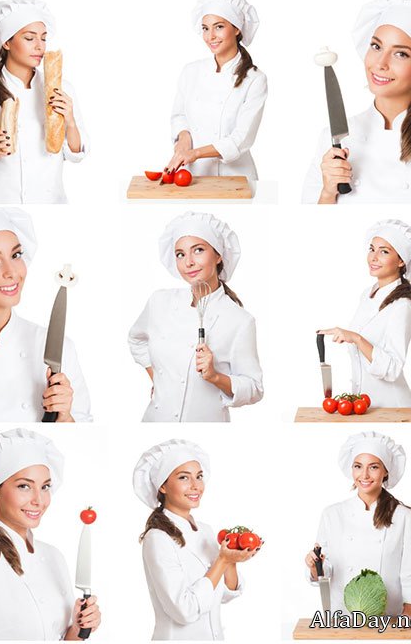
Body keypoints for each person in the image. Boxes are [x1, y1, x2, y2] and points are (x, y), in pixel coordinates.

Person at [0, 426, 101, 639]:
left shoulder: (53, 556)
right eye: (24, 486)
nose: (39, 500)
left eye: (45, 487)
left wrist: (76, 630)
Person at [0, 207, 92, 422]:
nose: (12, 272)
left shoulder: (56, 346)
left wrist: (64, 417)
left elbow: (81, 436)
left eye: (16, 255)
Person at [302, 0, 411, 204]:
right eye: (376, 46)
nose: (380, 63)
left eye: (401, 53)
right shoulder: (333, 138)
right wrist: (328, 192)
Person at [128, 211, 263, 422]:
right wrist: (157, 378)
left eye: (198, 250)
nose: (188, 262)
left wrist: (215, 377)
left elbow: (254, 388)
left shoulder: (240, 321)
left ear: (218, 255)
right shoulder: (159, 301)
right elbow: (136, 340)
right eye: (180, 254)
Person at [0, 0, 89, 204]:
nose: (40, 46)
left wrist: (70, 121)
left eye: (44, 38)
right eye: (29, 38)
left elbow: (75, 154)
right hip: (1, 201)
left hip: (52, 201)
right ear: (7, 42)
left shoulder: (62, 89)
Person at [133, 439, 261, 639]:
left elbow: (224, 594)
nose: (196, 486)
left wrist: (232, 561)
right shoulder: (157, 538)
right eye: (184, 477)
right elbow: (184, 611)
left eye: (199, 476)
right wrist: (222, 560)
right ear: (163, 486)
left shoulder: (205, 531)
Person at [304, 432, 411, 620]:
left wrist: (408, 615)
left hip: (386, 618)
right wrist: (314, 566)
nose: (364, 475)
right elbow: (325, 571)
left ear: (386, 471)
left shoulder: (403, 516)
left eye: (373, 467)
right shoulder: (332, 514)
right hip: (342, 617)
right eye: (358, 467)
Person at [317, 219, 411, 410]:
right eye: (372, 249)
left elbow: (393, 368)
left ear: (401, 261)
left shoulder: (403, 306)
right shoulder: (369, 293)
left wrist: (356, 338)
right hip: (365, 405)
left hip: (394, 409)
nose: (373, 257)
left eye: (384, 251)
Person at [167, 0, 267, 188]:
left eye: (219, 27)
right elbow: (179, 116)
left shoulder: (255, 79)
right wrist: (183, 140)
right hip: (192, 176)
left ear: (237, 28)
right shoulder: (191, 71)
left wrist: (195, 153)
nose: (210, 36)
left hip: (236, 178)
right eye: (205, 29)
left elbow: (241, 139)